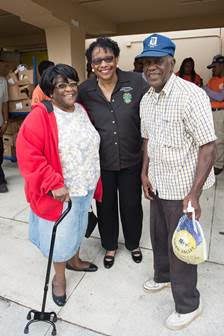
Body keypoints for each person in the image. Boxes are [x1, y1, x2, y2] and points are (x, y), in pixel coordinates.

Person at [138, 34, 216, 330]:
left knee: (181, 247)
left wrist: (194, 194)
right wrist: (145, 173)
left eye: (158, 60)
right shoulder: (147, 98)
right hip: (158, 183)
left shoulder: (191, 95)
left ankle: (188, 304)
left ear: (171, 61)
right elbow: (148, 139)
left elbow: (208, 146)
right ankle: (162, 276)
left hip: (182, 189)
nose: (152, 67)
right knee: (158, 237)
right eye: (147, 61)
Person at [16, 64, 102, 306]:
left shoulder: (81, 110)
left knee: (77, 227)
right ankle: (59, 277)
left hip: (84, 186)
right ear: (50, 91)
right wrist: (52, 182)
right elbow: (28, 154)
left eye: (73, 83)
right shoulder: (41, 115)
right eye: (61, 85)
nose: (69, 89)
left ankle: (74, 261)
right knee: (62, 235)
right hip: (60, 193)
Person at [78, 37, 148, 268]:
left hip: (131, 159)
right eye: (97, 60)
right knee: (105, 206)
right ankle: (109, 245)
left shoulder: (137, 82)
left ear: (116, 59)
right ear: (91, 65)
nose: (104, 64)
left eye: (108, 58)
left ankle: (133, 243)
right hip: (101, 162)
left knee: (131, 205)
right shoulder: (84, 90)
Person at [204, 55, 224, 175]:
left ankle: (219, 164)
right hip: (211, 112)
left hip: (220, 113)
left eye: (214, 67)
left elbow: (220, 97)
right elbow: (207, 95)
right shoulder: (212, 80)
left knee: (219, 140)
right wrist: (211, 93)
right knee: (214, 139)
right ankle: (215, 161)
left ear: (222, 65)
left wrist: (208, 90)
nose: (212, 69)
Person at [0, 75, 8, 193]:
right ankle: (1, 181)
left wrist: (6, 121)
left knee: (0, 152)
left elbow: (5, 102)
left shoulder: (2, 81)